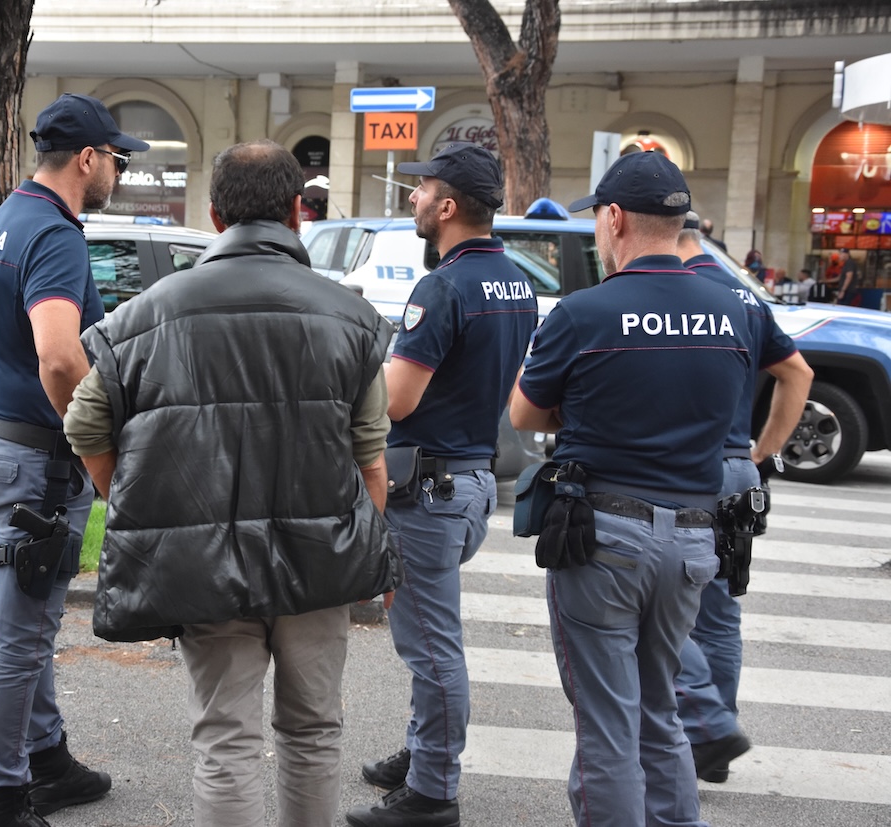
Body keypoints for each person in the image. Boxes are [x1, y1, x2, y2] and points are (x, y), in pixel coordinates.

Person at [64, 139, 401, 827]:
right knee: (312, 731)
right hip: (322, 558)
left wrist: (129, 500)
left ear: (216, 217)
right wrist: (365, 552)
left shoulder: (145, 316)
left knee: (226, 739)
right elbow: (370, 456)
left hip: (202, 561)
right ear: (296, 215)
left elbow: (84, 425)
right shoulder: (351, 319)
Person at [510, 151, 751, 827]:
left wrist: (583, 409)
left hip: (605, 540)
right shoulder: (733, 311)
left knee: (608, 726)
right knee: (660, 708)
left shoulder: (585, 312)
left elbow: (525, 413)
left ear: (614, 218)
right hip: (695, 539)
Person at [0, 93, 144, 827]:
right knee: (20, 635)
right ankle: (0, 797)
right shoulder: (57, 234)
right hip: (35, 458)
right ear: (87, 159)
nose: (118, 171)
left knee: (25, 623)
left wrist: (0, 402)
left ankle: (47, 756)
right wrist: (98, 455)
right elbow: (61, 357)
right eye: (117, 159)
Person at [347, 143, 537, 827]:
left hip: (428, 492)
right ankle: (425, 748)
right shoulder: (513, 279)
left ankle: (433, 791)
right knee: (429, 635)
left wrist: (355, 369)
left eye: (422, 188)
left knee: (431, 643)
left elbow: (395, 401)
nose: (413, 198)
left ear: (449, 206)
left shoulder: (444, 286)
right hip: (470, 482)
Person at [675, 212, 813, 783]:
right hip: (736, 471)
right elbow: (797, 373)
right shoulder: (746, 298)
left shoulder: (676, 293)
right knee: (720, 615)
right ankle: (715, 738)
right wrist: (760, 452)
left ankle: (703, 731)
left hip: (683, 472)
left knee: (654, 609)